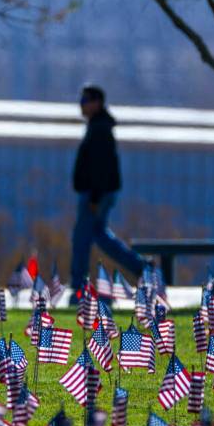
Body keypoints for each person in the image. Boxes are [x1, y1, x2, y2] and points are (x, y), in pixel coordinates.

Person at [69, 85, 146, 305]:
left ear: (97, 103)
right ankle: (141, 267)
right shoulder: (98, 126)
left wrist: (94, 197)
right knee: (99, 236)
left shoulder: (100, 129)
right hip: (97, 193)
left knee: (83, 238)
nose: (81, 104)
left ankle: (78, 285)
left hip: (96, 194)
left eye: (85, 100)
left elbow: (100, 168)